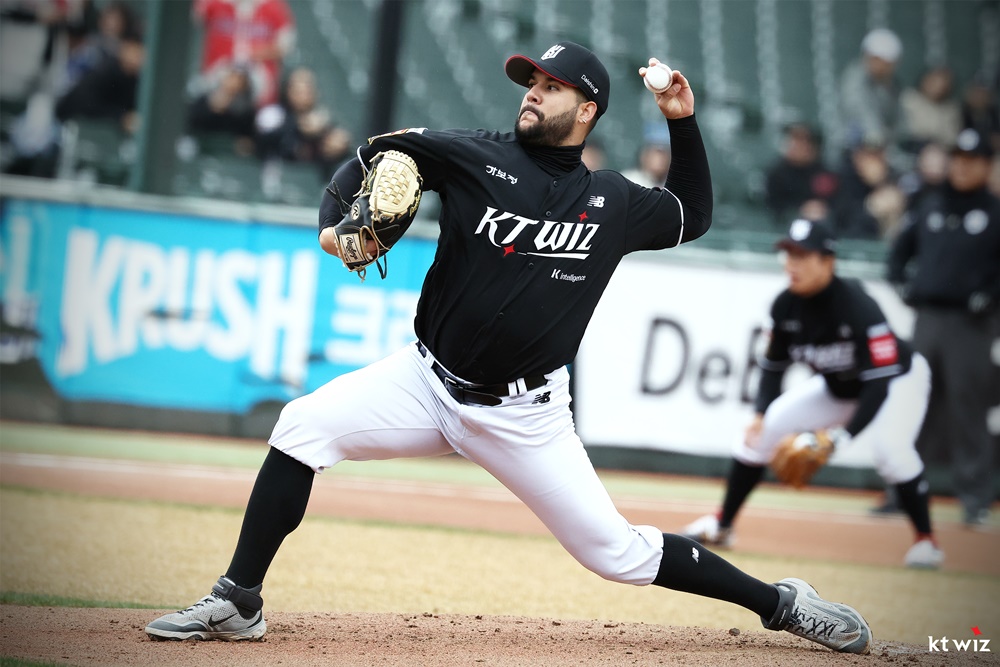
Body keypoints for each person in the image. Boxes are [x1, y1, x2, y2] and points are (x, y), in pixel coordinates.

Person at [144, 42, 872, 655]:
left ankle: (781, 602)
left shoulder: (613, 202)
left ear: (586, 111)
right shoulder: (471, 157)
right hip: (425, 382)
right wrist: (336, 226)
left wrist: (681, 121)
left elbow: (694, 212)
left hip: (527, 414)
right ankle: (239, 600)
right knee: (301, 425)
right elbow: (374, 153)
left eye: (552, 87)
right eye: (531, 82)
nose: (533, 94)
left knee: (615, 554)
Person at [683, 218, 942, 569]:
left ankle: (927, 543)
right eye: (788, 254)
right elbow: (774, 368)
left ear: (827, 261)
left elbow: (878, 384)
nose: (792, 264)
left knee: (891, 451)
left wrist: (839, 437)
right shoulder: (784, 306)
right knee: (763, 430)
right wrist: (759, 413)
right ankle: (723, 525)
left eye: (803, 256)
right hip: (839, 386)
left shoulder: (858, 305)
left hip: (899, 379)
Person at [887, 127, 1000, 527]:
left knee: (968, 410)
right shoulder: (931, 204)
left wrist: (989, 296)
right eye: (959, 158)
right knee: (912, 405)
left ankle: (975, 499)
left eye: (972, 160)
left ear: (986, 166)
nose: (963, 166)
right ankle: (899, 493)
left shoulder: (994, 212)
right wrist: (901, 282)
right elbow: (899, 253)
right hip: (928, 319)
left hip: (971, 325)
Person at [192, 0, 295, 109]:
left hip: (259, 87)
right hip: (215, 78)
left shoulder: (274, 6)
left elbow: (285, 46)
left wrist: (251, 54)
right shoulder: (214, 3)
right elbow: (195, 17)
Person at [837, 28, 904, 166]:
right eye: (886, 62)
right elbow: (864, 117)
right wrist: (878, 141)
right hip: (855, 150)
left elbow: (897, 120)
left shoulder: (890, 83)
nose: (889, 67)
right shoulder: (855, 78)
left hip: (880, 149)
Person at [831, 137, 906, 239]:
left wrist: (880, 184)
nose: (872, 161)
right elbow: (842, 219)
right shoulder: (843, 178)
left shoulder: (893, 177)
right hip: (850, 244)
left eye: (877, 155)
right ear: (856, 156)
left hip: (883, 245)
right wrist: (869, 207)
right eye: (868, 155)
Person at [764, 123, 838, 226]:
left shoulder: (828, 174)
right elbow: (771, 209)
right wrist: (799, 212)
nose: (795, 145)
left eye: (802, 140)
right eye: (792, 139)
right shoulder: (776, 174)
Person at [900, 65, 962, 154]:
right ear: (925, 80)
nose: (938, 87)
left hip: (940, 153)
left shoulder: (951, 108)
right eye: (934, 81)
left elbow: (951, 139)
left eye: (943, 83)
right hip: (910, 148)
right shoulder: (910, 99)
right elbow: (907, 131)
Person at [622, 121, 672, 188]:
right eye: (658, 151)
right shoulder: (628, 181)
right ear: (644, 155)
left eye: (665, 152)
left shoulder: (678, 184)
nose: (661, 158)